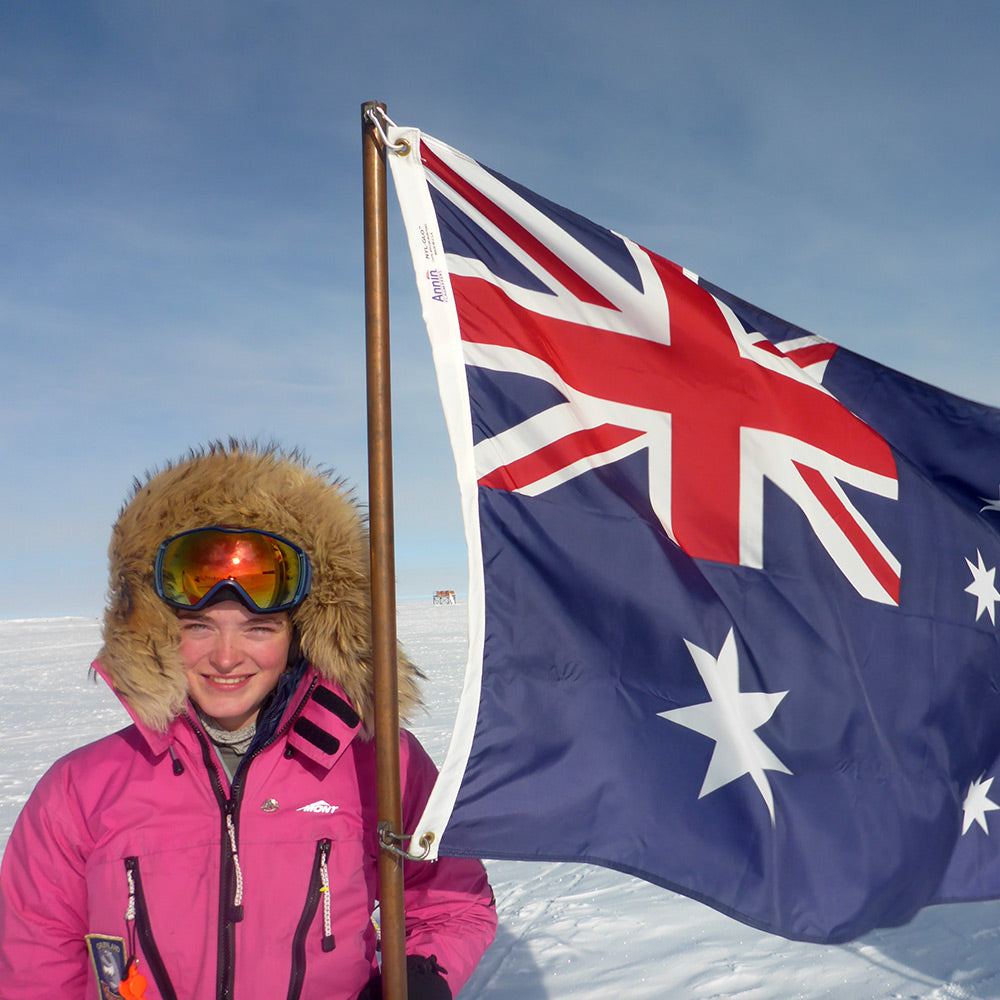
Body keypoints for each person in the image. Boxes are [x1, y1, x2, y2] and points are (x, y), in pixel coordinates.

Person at [0, 441, 497, 999]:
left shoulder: (380, 764)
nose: (226, 657)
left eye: (259, 628)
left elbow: (450, 901)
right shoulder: (79, 790)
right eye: (198, 626)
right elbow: (35, 960)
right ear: (155, 632)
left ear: (301, 635)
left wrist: (421, 978)